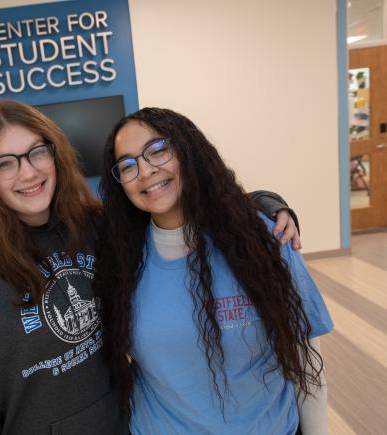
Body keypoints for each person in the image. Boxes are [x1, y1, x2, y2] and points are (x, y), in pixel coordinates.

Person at [0, 100, 302, 434]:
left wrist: (266, 205)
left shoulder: (96, 228)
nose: (28, 173)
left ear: (55, 156)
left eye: (36, 153)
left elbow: (172, 202)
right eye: (6, 163)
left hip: (125, 424)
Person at [95, 107, 333, 435]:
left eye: (158, 150)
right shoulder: (119, 260)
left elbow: (307, 360)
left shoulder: (264, 238)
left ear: (187, 151)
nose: (146, 171)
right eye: (128, 165)